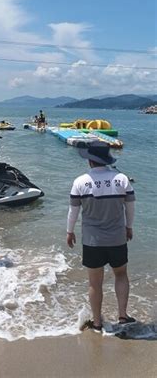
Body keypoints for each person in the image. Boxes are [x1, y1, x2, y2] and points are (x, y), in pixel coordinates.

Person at [66, 141, 136, 332]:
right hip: (117, 238)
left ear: (90, 160)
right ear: (106, 159)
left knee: (94, 283)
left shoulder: (80, 182)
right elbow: (130, 207)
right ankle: (122, 316)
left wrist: (69, 231)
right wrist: (129, 227)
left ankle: (97, 323)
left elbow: (73, 211)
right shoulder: (121, 179)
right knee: (121, 275)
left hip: (92, 241)